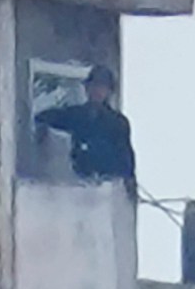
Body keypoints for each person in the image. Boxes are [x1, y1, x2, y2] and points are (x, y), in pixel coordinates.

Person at [36, 63, 136, 194]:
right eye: (93, 86)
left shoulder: (118, 123)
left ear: (109, 92)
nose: (97, 91)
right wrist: (42, 129)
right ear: (87, 89)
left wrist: (129, 183)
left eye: (102, 87)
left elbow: (125, 157)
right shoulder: (77, 115)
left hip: (107, 188)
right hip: (80, 183)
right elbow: (46, 117)